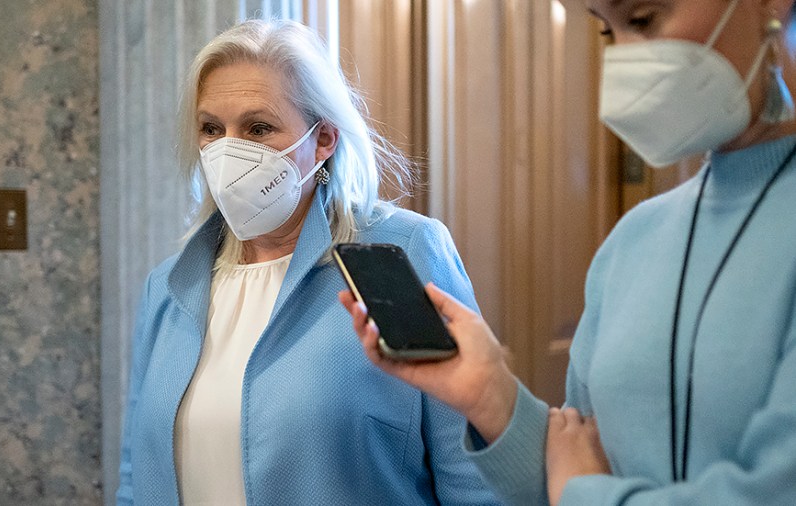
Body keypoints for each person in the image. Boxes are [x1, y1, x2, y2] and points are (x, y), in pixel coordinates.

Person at [340, 0, 796, 504]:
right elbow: (572, 461)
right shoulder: (634, 240)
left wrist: (584, 492)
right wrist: (493, 396)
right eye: (606, 32)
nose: (624, 57)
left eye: (642, 19)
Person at [116, 19, 498, 505]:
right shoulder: (168, 286)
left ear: (323, 141)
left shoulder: (402, 252)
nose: (229, 149)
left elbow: (471, 476)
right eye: (212, 128)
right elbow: (136, 477)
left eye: (259, 128)